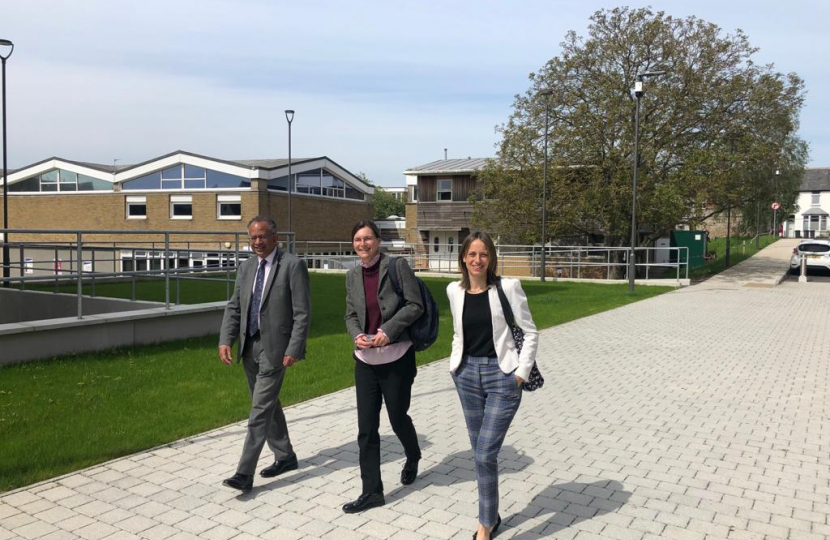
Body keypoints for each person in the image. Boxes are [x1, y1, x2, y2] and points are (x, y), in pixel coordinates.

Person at [446, 231, 538, 540]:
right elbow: (459, 333)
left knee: (485, 453)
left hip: (502, 376)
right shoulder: (454, 290)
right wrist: (454, 367)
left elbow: (530, 331)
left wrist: (520, 373)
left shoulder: (508, 288)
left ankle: (484, 525)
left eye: (483, 254)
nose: (477, 260)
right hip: (467, 375)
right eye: (472, 254)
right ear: (463, 257)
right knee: (480, 454)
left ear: (491, 258)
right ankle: (493, 515)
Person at [218, 216, 311, 492]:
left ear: (275, 237)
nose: (258, 242)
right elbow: (234, 307)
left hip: (276, 349)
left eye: (263, 236)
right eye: (253, 238)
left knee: (259, 411)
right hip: (249, 347)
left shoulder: (292, 266)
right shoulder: (246, 268)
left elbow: (302, 313)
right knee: (269, 405)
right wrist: (226, 339)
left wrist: (294, 347)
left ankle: (244, 474)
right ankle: (285, 456)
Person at [342, 220, 424, 513]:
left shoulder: (397, 266)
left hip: (396, 357)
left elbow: (415, 305)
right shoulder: (351, 275)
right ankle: (372, 491)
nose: (362, 244)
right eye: (357, 240)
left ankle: (413, 454)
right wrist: (357, 336)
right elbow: (350, 314)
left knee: (397, 416)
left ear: (378, 240)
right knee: (366, 428)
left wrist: (387, 331)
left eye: (367, 238)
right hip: (365, 361)